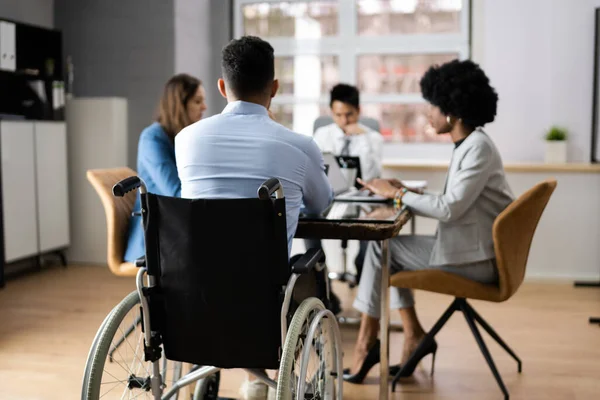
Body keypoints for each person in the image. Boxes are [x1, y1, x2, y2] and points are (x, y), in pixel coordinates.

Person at [175, 36, 333, 400]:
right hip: (263, 301)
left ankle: (243, 378)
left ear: (221, 87)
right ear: (274, 87)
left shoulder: (186, 140)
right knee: (304, 269)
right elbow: (322, 203)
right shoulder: (299, 145)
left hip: (191, 295)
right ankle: (260, 380)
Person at [342, 59, 515, 384]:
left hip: (476, 261)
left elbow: (449, 208)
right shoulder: (471, 144)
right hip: (472, 250)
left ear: (452, 110)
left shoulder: (477, 149)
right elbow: (458, 200)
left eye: (432, 106)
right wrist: (403, 190)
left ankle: (367, 344)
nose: (427, 113)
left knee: (381, 251)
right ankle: (413, 335)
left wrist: (395, 196)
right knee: (385, 252)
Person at [305, 84, 384, 290]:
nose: (343, 121)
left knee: (373, 230)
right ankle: (321, 279)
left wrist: (361, 139)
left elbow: (370, 175)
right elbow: (316, 170)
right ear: (331, 112)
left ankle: (361, 272)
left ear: (358, 111)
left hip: (361, 201)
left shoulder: (373, 138)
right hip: (330, 199)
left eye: (349, 114)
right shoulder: (322, 134)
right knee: (307, 224)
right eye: (338, 114)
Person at [123, 73, 207, 263]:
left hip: (176, 229)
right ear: (180, 105)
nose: (204, 107)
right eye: (197, 101)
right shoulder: (152, 138)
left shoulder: (184, 139)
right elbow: (176, 192)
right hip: (155, 235)